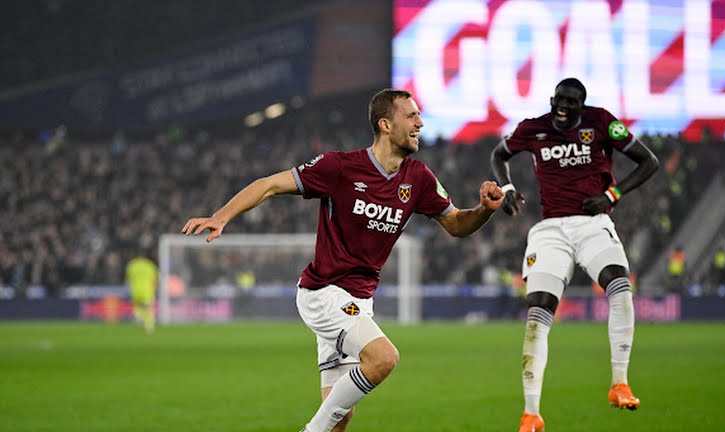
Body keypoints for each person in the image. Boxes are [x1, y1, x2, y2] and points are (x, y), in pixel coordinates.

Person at [182, 89, 505, 432]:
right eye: (410, 116)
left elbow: (456, 224)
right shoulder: (340, 167)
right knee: (384, 358)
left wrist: (484, 210)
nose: (419, 123)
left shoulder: (419, 178)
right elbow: (270, 185)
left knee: (341, 418)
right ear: (385, 124)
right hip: (324, 292)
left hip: (359, 301)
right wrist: (221, 216)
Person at [490, 77, 659, 432]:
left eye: (572, 101)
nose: (564, 106)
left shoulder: (601, 122)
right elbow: (499, 155)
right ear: (552, 99)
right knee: (538, 313)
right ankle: (531, 414)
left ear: (582, 104)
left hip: (592, 224)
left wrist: (611, 196)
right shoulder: (532, 128)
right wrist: (507, 188)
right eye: (560, 99)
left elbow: (648, 161)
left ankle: (619, 383)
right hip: (550, 229)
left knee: (620, 287)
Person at [125, 251, 159, 334]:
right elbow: (155, 279)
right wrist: (155, 290)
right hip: (147, 290)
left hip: (135, 290)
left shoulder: (132, 265)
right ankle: (149, 326)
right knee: (148, 309)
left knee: (138, 307)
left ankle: (138, 318)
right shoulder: (149, 265)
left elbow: (128, 279)